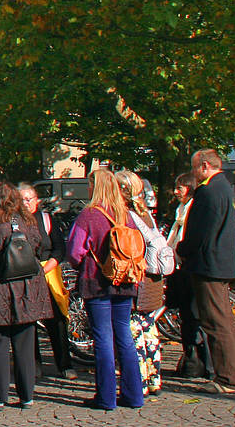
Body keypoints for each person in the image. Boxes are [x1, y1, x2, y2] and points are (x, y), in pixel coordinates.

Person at [66, 168, 144, 411]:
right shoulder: (125, 214)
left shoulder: (88, 215)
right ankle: (134, 395)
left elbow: (74, 252)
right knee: (125, 337)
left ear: (95, 187)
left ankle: (106, 397)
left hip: (97, 283)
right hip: (125, 281)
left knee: (102, 339)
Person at [0, 181, 51, 410]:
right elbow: (39, 246)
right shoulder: (27, 221)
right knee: (25, 341)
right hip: (26, 284)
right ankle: (26, 395)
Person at [177, 148, 235, 394]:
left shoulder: (208, 191)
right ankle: (232, 373)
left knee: (216, 323)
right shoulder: (225, 187)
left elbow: (199, 232)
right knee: (223, 320)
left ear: (205, 166)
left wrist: (182, 249)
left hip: (208, 265)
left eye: (195, 167)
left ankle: (229, 377)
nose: (193, 173)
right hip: (219, 263)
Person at [18, 182, 75, 379]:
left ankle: (64, 364)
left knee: (57, 320)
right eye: (22, 199)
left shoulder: (47, 219)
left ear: (37, 201)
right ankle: (34, 364)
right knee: (28, 321)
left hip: (49, 274)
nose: (26, 203)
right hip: (25, 275)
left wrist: (48, 265)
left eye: (29, 199)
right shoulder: (14, 222)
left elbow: (59, 248)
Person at [118, 170, 165, 395]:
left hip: (138, 279)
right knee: (149, 328)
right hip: (152, 279)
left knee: (133, 331)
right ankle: (154, 377)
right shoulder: (145, 213)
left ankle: (139, 382)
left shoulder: (126, 215)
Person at [166, 172, 203, 377]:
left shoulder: (192, 210)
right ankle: (190, 358)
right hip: (177, 267)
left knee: (193, 314)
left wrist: (179, 252)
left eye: (179, 188)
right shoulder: (180, 210)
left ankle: (197, 360)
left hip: (187, 267)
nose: (175, 192)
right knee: (185, 314)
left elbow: (187, 239)